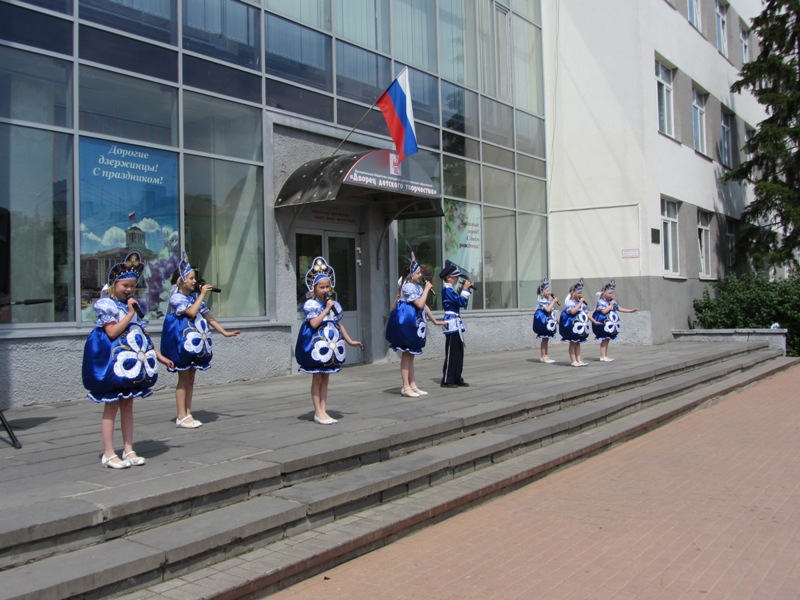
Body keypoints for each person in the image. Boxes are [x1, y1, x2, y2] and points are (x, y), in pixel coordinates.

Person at [82, 251, 173, 469]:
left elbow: (140, 336)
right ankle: (108, 452)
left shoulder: (128, 307)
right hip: (113, 363)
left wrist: (158, 355)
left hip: (129, 363)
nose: (130, 289)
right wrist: (131, 314)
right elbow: (112, 332)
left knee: (128, 405)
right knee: (111, 406)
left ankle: (128, 448)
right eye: (125, 285)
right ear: (114, 285)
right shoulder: (106, 305)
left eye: (132, 285)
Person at [160, 251, 240, 429]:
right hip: (181, 342)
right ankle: (181, 414)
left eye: (195, 278)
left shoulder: (194, 297)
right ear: (181, 281)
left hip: (194, 342)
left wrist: (224, 332)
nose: (195, 282)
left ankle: (188, 412)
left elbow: (208, 317)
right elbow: (191, 312)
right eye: (191, 278)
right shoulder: (177, 297)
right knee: (183, 377)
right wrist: (203, 294)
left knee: (191, 377)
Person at [295, 256, 363, 424]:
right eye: (321, 287)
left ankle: (323, 410)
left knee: (326, 378)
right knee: (317, 378)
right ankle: (317, 411)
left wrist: (349, 340)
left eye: (327, 287)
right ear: (314, 288)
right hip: (316, 346)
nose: (325, 290)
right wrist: (326, 309)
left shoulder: (334, 305)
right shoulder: (311, 305)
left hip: (330, 346)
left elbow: (339, 325)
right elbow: (314, 323)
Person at [385, 253, 443, 398]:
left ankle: (413, 384)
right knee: (406, 354)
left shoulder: (417, 287)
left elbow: (425, 307)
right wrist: (427, 290)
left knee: (411, 356)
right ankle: (405, 386)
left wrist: (434, 321)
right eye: (418, 273)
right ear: (411, 274)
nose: (420, 275)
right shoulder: (408, 287)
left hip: (415, 323)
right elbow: (419, 303)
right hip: (407, 323)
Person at [439, 260, 472, 388]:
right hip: (451, 322)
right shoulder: (447, 290)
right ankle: (447, 379)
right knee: (451, 352)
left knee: (459, 351)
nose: (457, 278)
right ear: (448, 277)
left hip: (456, 323)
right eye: (455, 277)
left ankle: (457, 377)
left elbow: (462, 303)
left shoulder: (451, 289)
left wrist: (465, 290)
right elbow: (460, 302)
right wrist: (465, 290)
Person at [592, 280, 639, 362]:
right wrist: (611, 305)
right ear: (604, 293)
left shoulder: (612, 301)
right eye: (609, 293)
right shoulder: (601, 302)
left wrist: (630, 311)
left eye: (611, 293)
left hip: (610, 323)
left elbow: (619, 308)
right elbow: (604, 311)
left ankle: (605, 355)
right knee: (604, 339)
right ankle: (603, 356)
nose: (611, 295)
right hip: (603, 323)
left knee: (607, 339)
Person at [558, 278, 599, 367]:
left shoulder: (581, 303)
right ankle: (573, 360)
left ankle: (579, 360)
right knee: (572, 343)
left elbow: (586, 314)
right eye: (579, 293)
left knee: (578, 343)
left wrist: (594, 321)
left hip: (580, 326)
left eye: (581, 293)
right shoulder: (570, 302)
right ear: (573, 293)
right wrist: (580, 304)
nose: (580, 295)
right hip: (572, 325)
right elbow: (572, 312)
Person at [532, 277, 559, 364]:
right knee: (544, 339)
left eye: (549, 291)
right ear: (542, 293)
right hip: (543, 321)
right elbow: (547, 310)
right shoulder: (541, 300)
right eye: (547, 291)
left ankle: (546, 355)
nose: (549, 292)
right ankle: (544, 356)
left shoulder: (547, 300)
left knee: (546, 339)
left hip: (548, 321)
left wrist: (556, 320)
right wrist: (554, 302)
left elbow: (551, 312)